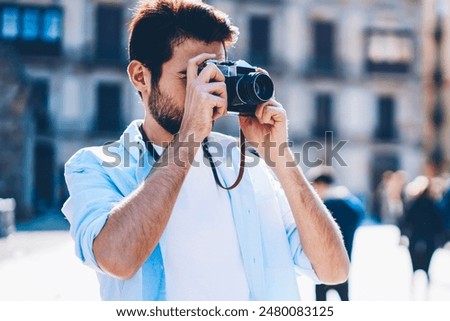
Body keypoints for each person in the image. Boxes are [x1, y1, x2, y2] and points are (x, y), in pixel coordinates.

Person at [62, 0, 349, 301]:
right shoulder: (95, 167)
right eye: (191, 76)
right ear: (140, 76)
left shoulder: (246, 167)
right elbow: (117, 259)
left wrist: (281, 158)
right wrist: (189, 137)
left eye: (215, 74)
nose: (207, 90)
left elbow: (333, 270)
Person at [309, 167, 364, 301]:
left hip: (322, 263)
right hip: (344, 261)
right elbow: (360, 214)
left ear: (321, 184)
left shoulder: (323, 205)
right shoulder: (349, 202)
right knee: (344, 299)